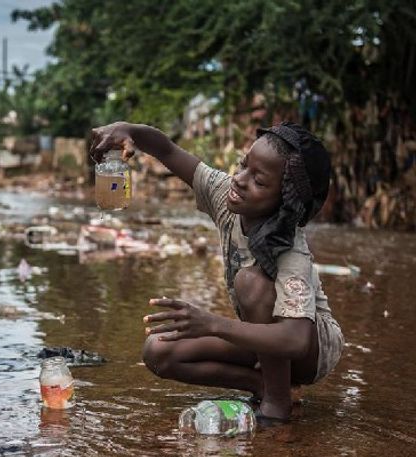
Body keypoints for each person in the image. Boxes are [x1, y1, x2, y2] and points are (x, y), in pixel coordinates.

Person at [90, 121, 344, 422]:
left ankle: (277, 404)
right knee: (159, 350)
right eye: (243, 165)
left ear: (285, 204)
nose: (240, 180)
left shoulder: (291, 250)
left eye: (259, 181)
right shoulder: (226, 195)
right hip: (267, 339)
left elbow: (296, 339)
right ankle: (262, 385)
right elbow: (167, 151)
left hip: (312, 351)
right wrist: (129, 130)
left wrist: (212, 324)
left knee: (250, 282)